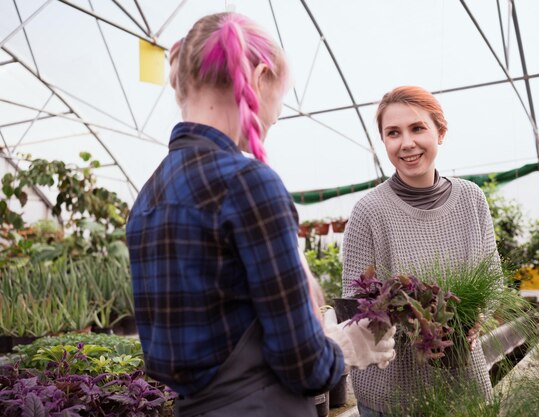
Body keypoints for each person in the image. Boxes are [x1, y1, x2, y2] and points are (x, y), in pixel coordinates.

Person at [126, 12, 395, 417]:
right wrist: (344, 349)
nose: (278, 113)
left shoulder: (149, 195)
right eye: (280, 95)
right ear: (259, 78)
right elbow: (304, 367)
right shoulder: (246, 183)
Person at [341, 86, 498, 416]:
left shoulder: (472, 200)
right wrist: (414, 325)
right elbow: (354, 307)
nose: (406, 143)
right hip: (391, 397)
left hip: (463, 389)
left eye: (417, 128)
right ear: (383, 142)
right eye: (393, 133)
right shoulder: (369, 211)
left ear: (440, 132)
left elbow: (493, 282)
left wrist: (477, 317)